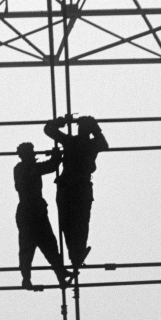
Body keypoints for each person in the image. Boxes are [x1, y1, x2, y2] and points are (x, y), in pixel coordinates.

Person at [43, 114, 108, 269]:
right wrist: (93, 126)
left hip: (69, 188)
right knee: (80, 223)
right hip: (80, 188)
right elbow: (104, 144)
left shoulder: (71, 141)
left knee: (69, 222)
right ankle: (76, 254)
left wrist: (65, 121)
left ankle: (75, 254)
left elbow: (49, 129)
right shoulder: (92, 143)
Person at [13, 142, 69, 290]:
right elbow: (51, 166)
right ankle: (27, 278)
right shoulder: (23, 168)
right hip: (30, 211)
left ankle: (60, 274)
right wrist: (56, 155)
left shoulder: (27, 167)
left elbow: (50, 165)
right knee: (29, 247)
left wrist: (55, 155)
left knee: (49, 244)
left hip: (33, 210)